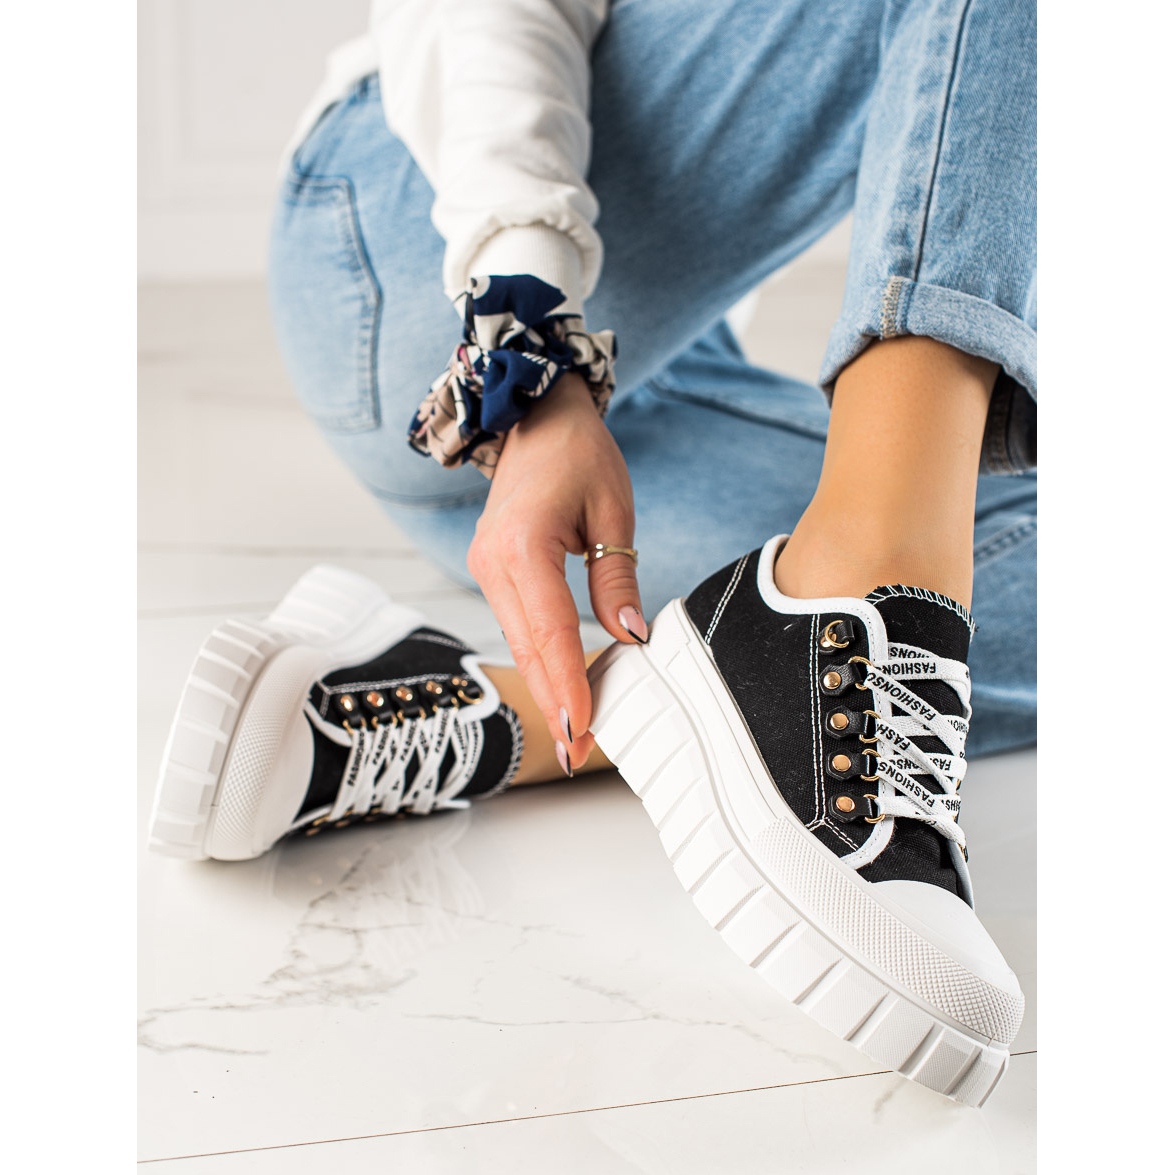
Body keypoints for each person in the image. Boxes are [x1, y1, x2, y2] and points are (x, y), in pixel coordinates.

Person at [150, 0, 1035, 1107]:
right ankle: (863, 582)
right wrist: (531, 350)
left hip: (647, 367)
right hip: (430, 246)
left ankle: (503, 708)